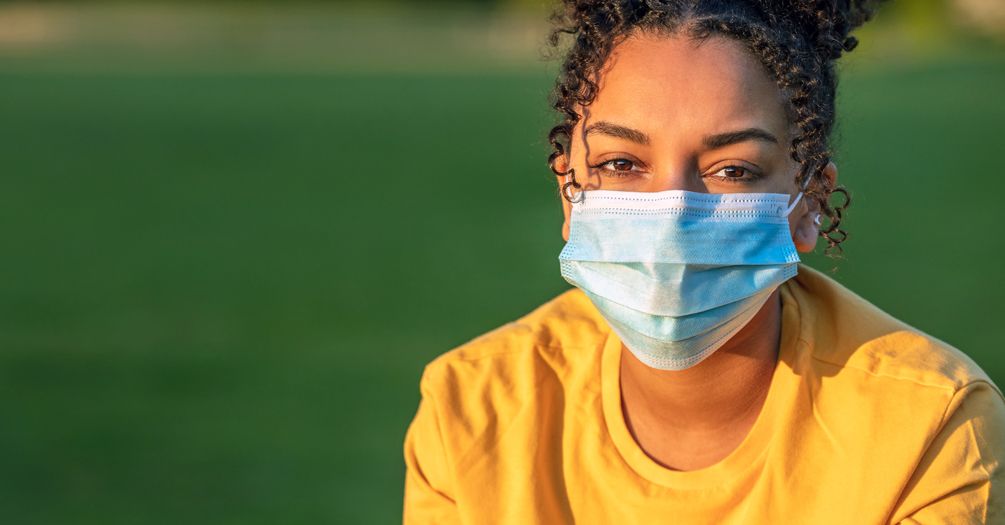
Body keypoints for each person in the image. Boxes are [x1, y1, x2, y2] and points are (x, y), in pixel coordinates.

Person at [403, 0, 1005, 523]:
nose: (671, 216)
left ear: (808, 204)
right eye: (620, 163)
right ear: (569, 192)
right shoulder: (470, 412)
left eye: (732, 170)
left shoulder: (930, 425)